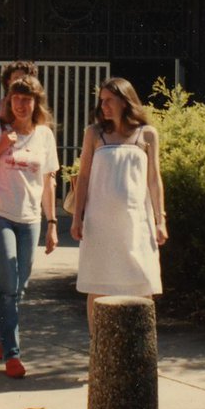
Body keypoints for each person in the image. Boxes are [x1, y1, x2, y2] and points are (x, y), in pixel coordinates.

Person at [71, 78, 167, 326]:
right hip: (100, 224)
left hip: (136, 222)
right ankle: (97, 348)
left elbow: (154, 180)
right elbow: (83, 177)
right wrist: (76, 217)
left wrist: (160, 221)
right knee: (98, 284)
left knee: (141, 280)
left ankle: (142, 346)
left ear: (125, 101)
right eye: (101, 101)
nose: (103, 106)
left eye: (109, 100)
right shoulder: (94, 134)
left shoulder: (147, 134)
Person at [0, 75, 59, 379]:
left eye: (28, 99)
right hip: (0, 214)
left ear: (36, 102)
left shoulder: (44, 135)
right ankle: (12, 353)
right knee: (6, 286)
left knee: (20, 284)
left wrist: (52, 222)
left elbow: (48, 180)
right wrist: (2, 144)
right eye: (16, 98)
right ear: (9, 100)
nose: (22, 104)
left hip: (30, 218)